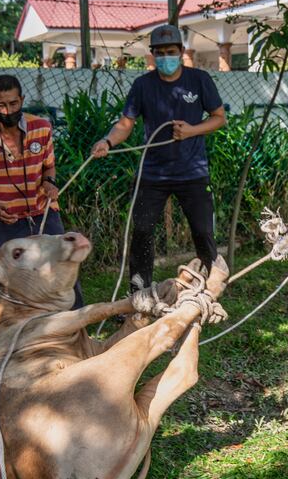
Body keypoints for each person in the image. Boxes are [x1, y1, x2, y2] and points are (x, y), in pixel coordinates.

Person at [91, 24, 226, 290]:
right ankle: (139, 294)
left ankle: (211, 288)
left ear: (181, 51)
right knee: (141, 232)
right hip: (152, 173)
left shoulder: (199, 80)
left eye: (171, 51)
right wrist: (107, 141)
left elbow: (219, 118)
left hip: (193, 171)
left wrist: (191, 131)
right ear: (153, 54)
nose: (166, 57)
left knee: (203, 232)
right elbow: (126, 123)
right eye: (160, 52)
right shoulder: (143, 85)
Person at [0, 74, 84, 320]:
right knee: (1, 275)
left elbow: (49, 167)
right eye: (0, 105)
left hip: (44, 211)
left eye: (13, 103)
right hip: (4, 219)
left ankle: (75, 320)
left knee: (63, 263)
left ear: (22, 100)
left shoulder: (41, 128)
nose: (8, 110)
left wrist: (50, 183)